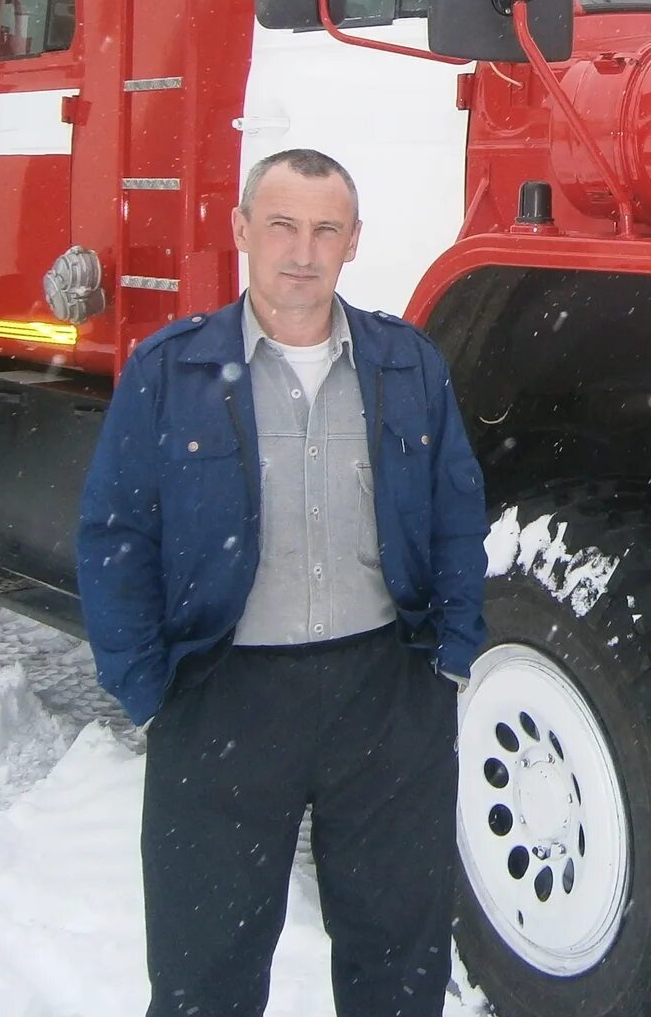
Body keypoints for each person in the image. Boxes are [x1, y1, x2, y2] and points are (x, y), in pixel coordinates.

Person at [78, 147, 487, 1017]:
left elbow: (456, 511)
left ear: (353, 241)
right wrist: (149, 692)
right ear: (241, 230)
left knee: (399, 964)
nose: (303, 252)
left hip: (386, 698)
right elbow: (116, 536)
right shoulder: (170, 370)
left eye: (325, 230)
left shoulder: (407, 364)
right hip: (225, 697)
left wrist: (450, 657)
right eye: (281, 226)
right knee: (205, 972)